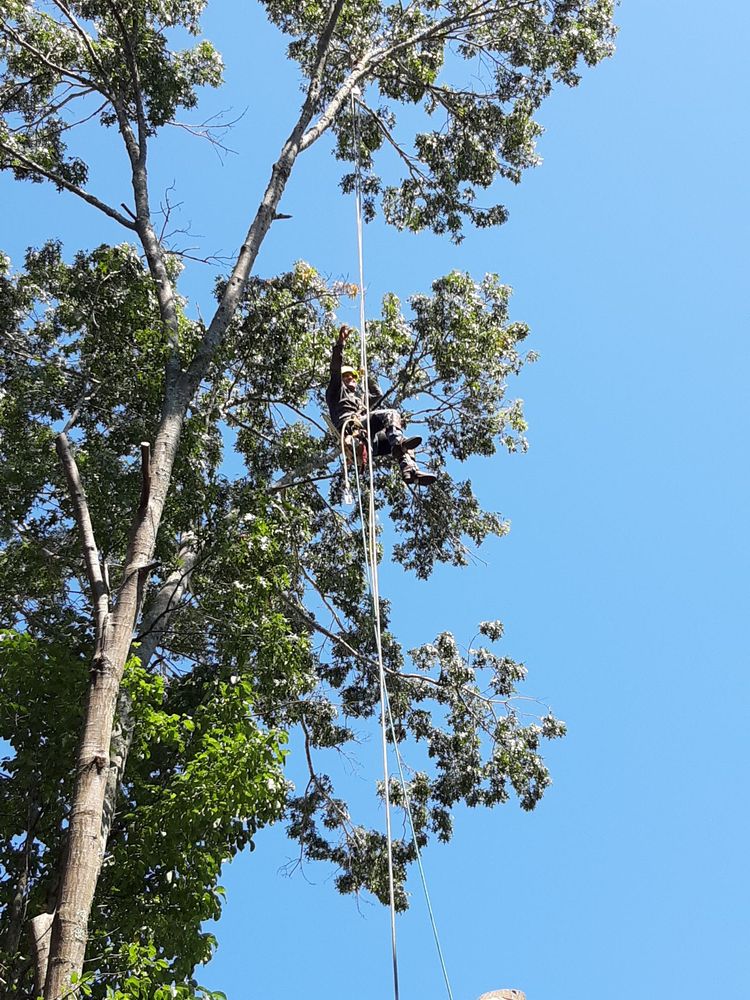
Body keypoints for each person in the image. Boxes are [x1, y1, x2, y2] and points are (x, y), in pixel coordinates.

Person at [326, 325, 436, 485]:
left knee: (404, 441)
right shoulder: (336, 392)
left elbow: (377, 394)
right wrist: (340, 343)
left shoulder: (359, 402)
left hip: (370, 439)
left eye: (353, 377)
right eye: (347, 377)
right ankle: (398, 445)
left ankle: (410, 471)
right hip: (351, 428)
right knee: (391, 414)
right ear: (341, 380)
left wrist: (367, 378)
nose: (351, 379)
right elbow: (335, 368)